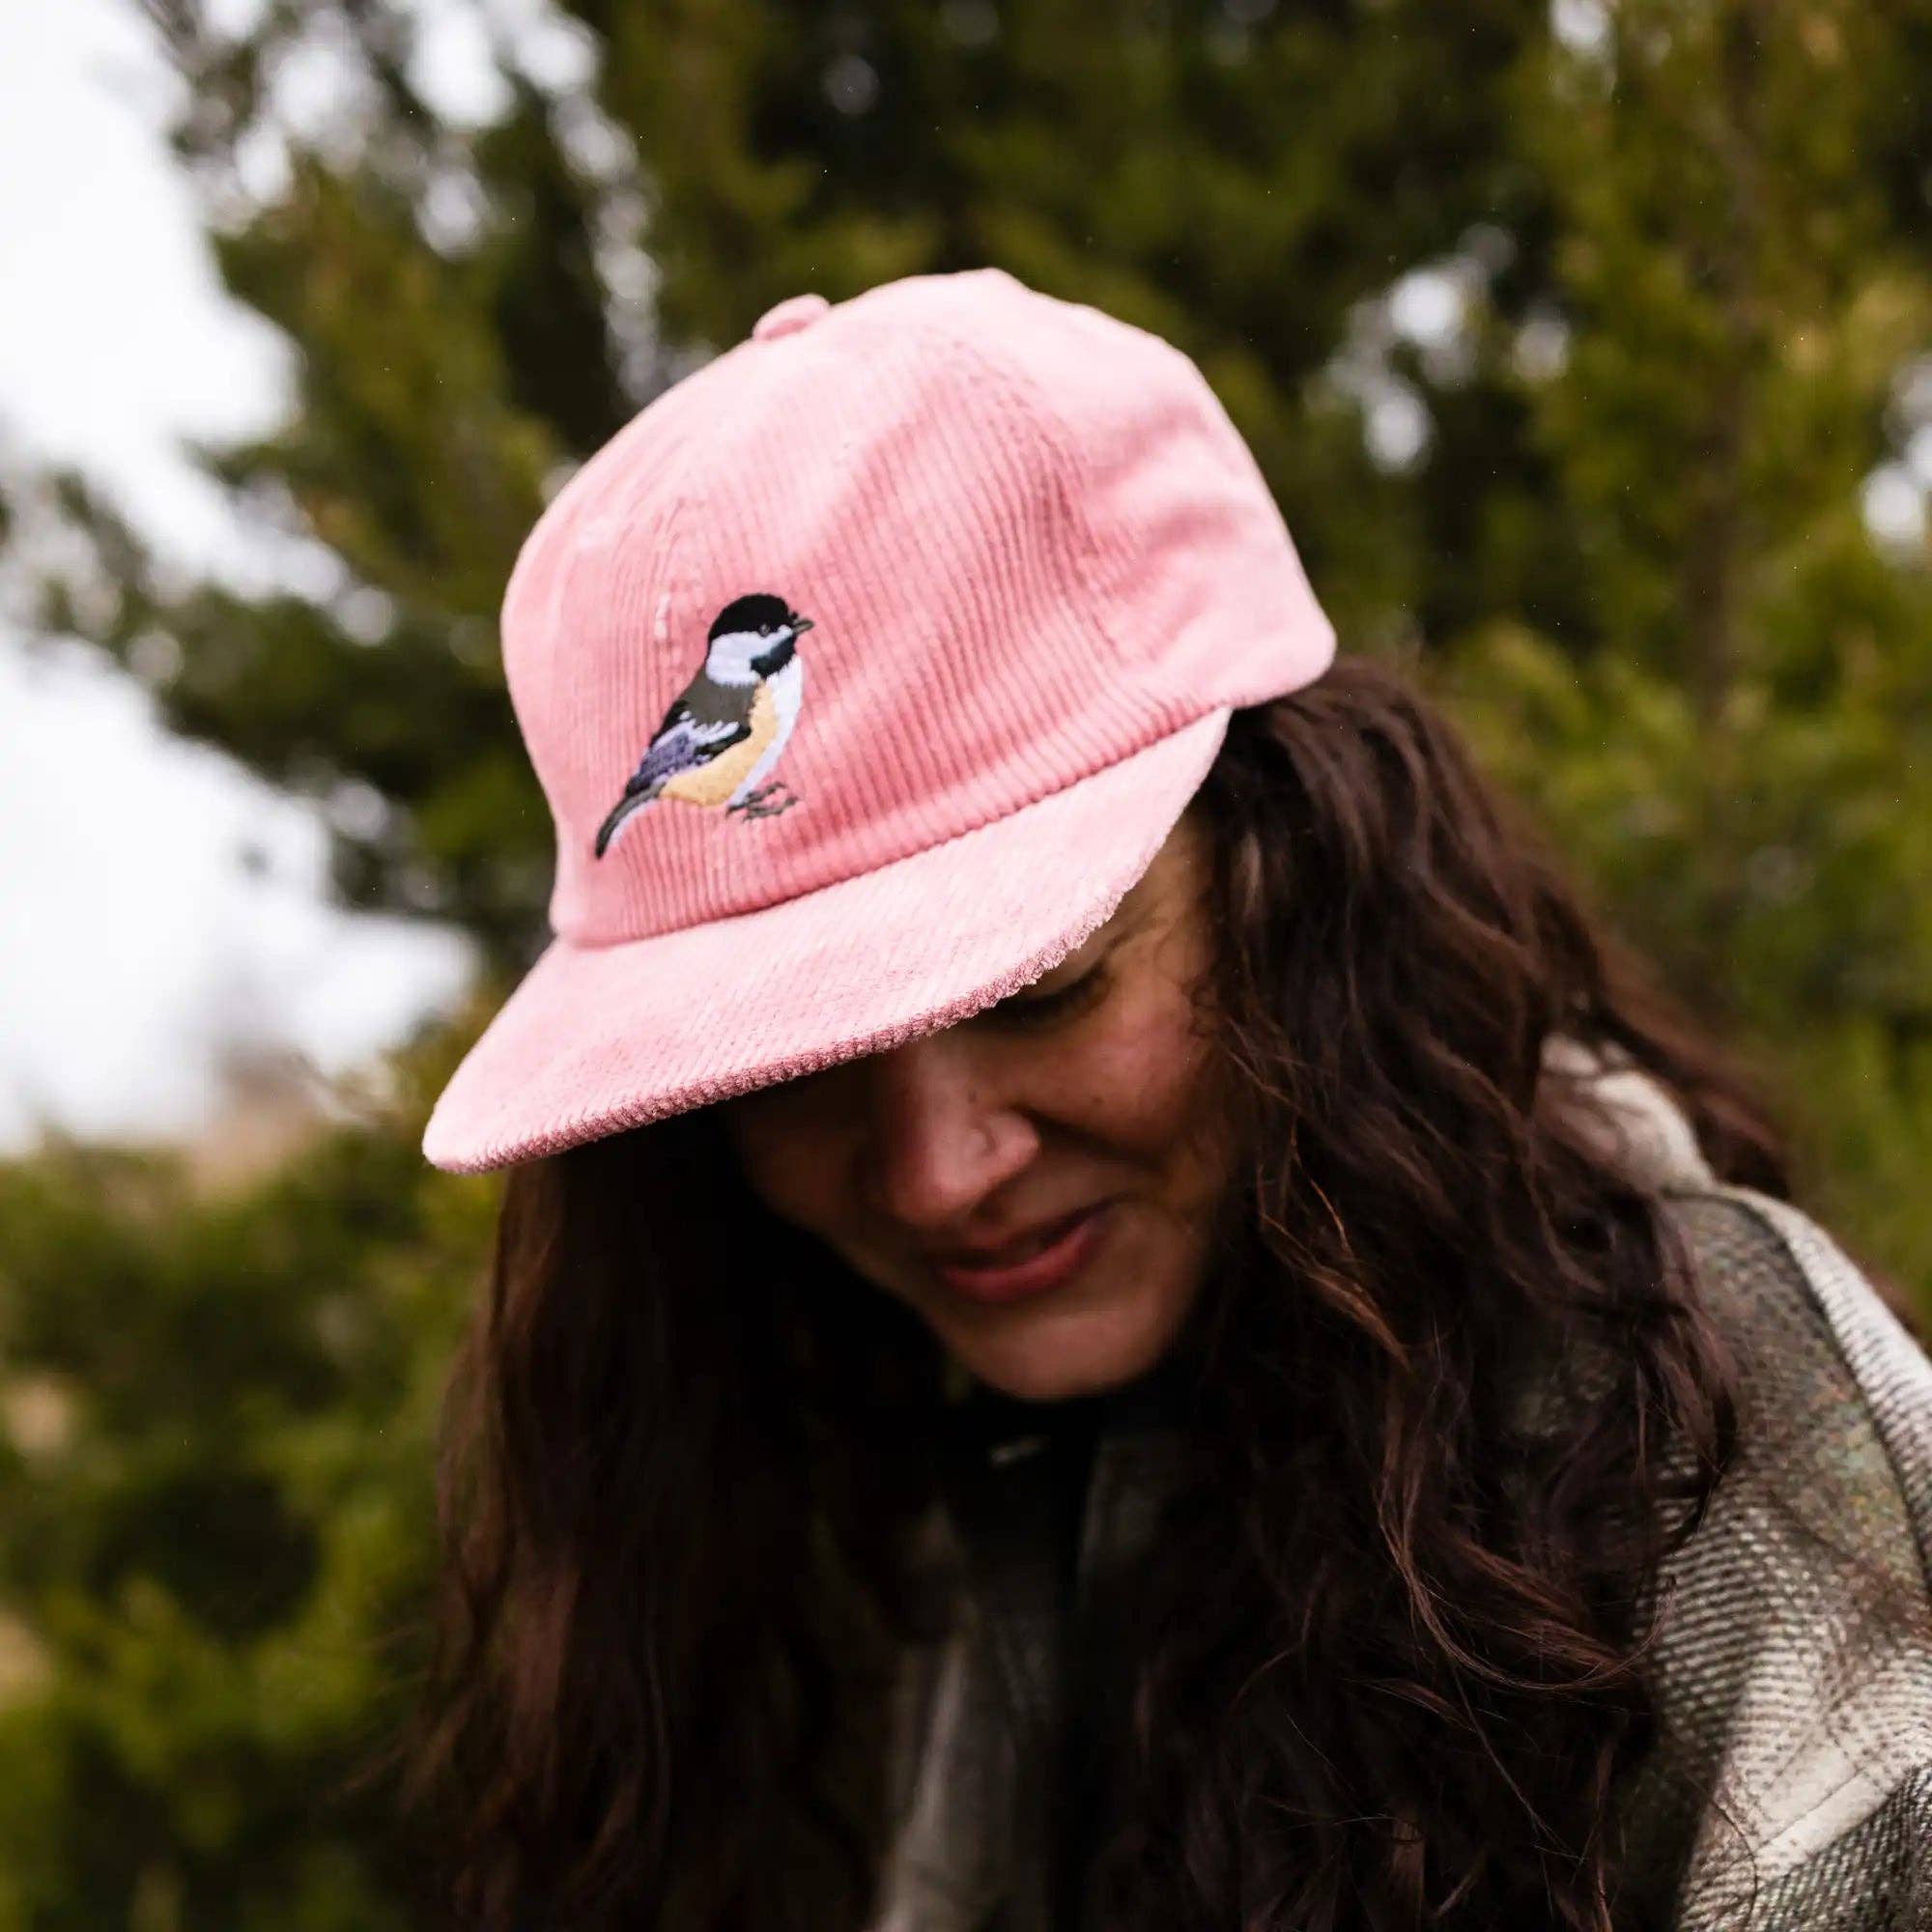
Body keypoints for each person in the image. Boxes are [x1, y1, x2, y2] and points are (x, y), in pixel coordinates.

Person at [404, 269, 1932, 1931]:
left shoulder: (1704, 1439)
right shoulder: (881, 1497)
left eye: (1039, 990)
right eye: (781, 1069)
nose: (936, 1174)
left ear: (1299, 869)